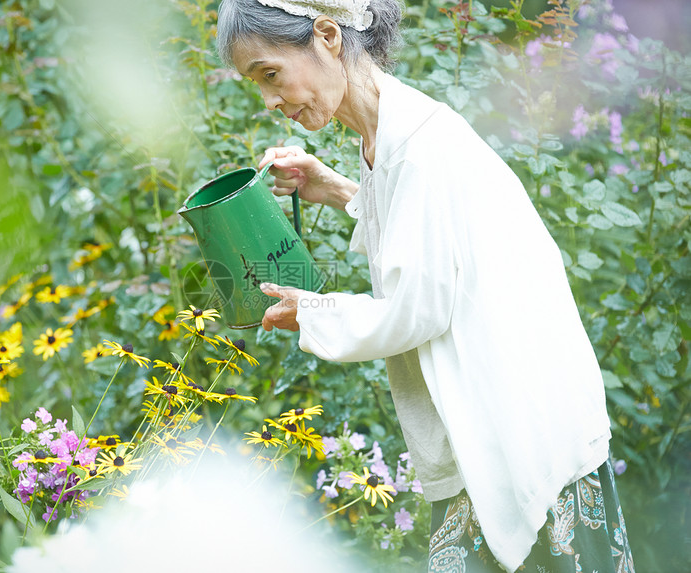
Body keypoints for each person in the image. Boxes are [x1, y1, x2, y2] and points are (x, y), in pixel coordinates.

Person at [216, 1, 635, 572]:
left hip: (519, 425)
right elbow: (433, 241)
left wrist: (311, 311)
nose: (269, 100)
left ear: (328, 37)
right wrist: (337, 188)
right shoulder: (391, 133)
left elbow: (417, 309)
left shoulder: (421, 146)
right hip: (491, 413)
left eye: (270, 74)